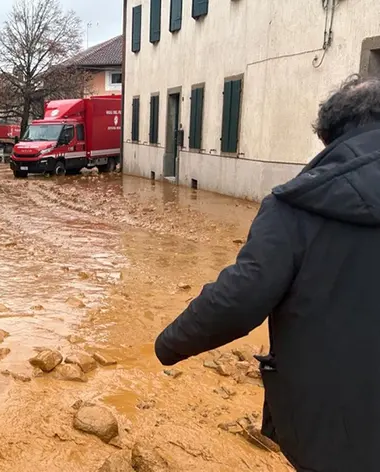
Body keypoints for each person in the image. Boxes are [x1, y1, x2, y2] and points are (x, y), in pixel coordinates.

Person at [154, 75, 380, 471]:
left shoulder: (298, 204)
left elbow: (240, 298)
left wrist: (169, 344)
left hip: (337, 433)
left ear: (331, 137)